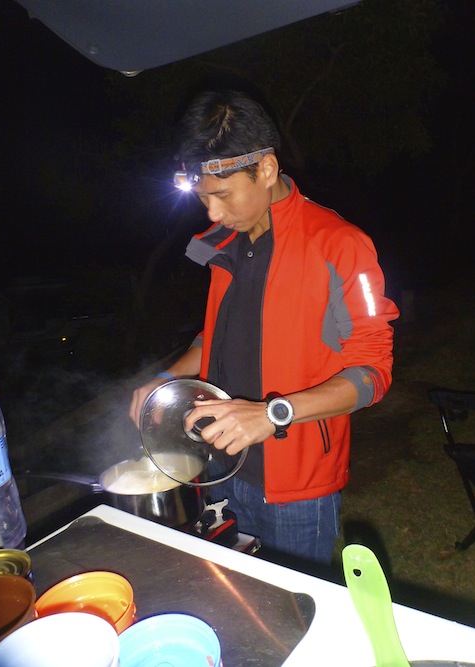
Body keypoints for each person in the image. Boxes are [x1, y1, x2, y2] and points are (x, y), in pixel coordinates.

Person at [130, 89, 399, 565]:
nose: (212, 213)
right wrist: (167, 379)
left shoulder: (339, 246)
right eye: (202, 198)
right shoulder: (223, 245)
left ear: (267, 170)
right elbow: (214, 340)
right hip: (220, 465)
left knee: (296, 611)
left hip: (297, 485)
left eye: (223, 195)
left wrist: (272, 414)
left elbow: (372, 372)